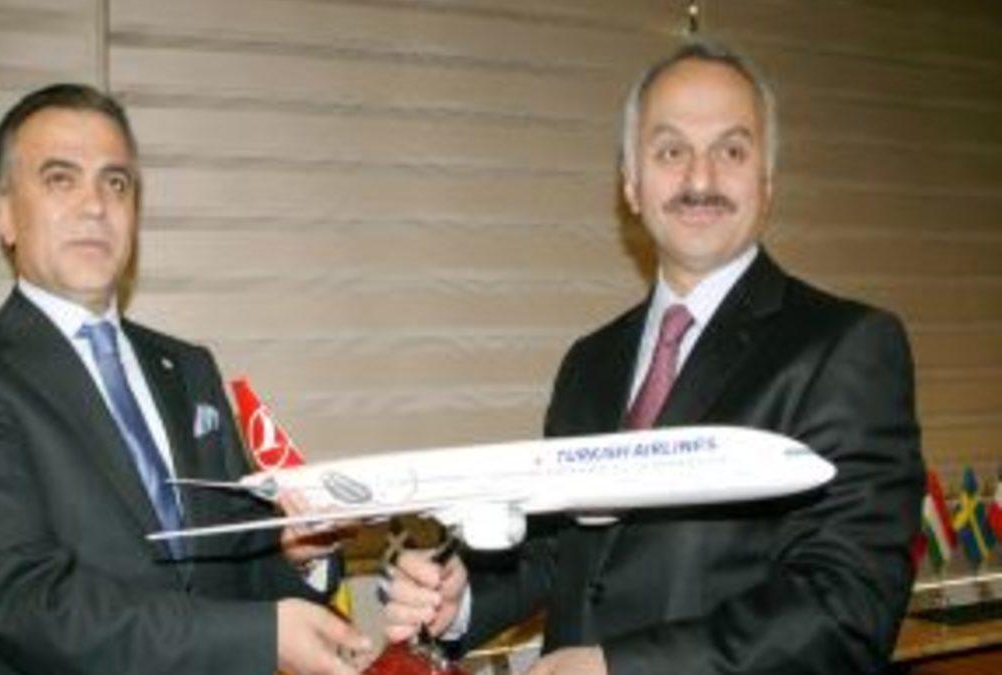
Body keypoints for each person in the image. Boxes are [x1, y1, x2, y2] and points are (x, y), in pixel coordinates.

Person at [381, 41, 924, 675]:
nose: (701, 180)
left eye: (732, 151)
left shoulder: (847, 347)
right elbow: (564, 550)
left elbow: (847, 607)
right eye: (671, 151)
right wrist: (462, 600)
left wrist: (618, 667)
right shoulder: (589, 362)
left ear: (768, 182)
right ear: (631, 185)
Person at [0, 83, 369, 675]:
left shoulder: (189, 368)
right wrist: (259, 635)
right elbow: (25, 604)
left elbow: (232, 566)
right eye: (60, 179)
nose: (96, 205)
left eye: (115, 183)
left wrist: (297, 557)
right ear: (6, 216)